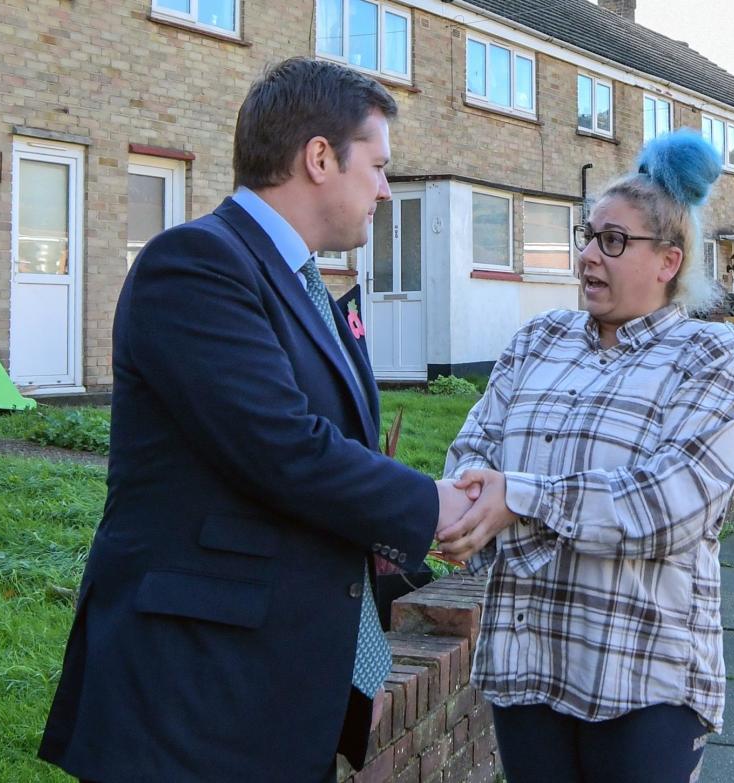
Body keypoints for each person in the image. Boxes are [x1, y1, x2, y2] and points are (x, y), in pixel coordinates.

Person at [38, 58, 472, 782]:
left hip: (272, 689)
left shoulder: (304, 283)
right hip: (191, 700)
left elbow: (328, 455)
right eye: (379, 165)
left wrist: (396, 538)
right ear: (320, 157)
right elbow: (285, 450)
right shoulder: (197, 264)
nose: (386, 190)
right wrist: (437, 505)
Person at [435, 130, 734, 783]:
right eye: (588, 235)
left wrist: (518, 500)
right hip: (529, 664)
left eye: (613, 241)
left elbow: (667, 507)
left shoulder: (708, 357)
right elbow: (473, 449)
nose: (588, 254)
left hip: (644, 677)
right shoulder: (538, 340)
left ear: (668, 261)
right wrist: (467, 510)